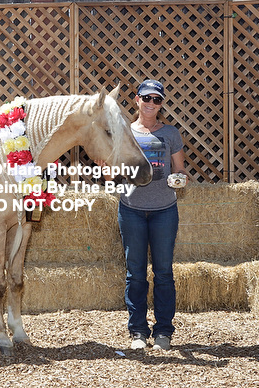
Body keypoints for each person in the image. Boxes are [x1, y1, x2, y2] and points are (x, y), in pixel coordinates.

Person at [115, 79, 188, 351]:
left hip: (164, 211)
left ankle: (163, 333)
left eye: (156, 100)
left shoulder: (170, 133)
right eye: (146, 98)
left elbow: (180, 170)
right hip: (131, 209)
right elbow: (112, 176)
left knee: (163, 273)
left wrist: (179, 179)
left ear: (161, 104)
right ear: (137, 100)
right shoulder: (125, 132)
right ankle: (137, 332)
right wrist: (106, 167)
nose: (151, 103)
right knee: (135, 274)